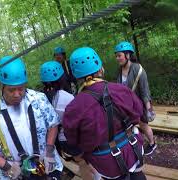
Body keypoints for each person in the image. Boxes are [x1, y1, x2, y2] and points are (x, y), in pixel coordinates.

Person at [0, 56, 63, 180]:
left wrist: (50, 150)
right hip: (14, 171)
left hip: (46, 163)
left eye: (21, 88)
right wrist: (5, 166)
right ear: (0, 85)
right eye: (11, 90)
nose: (17, 94)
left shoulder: (38, 99)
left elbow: (53, 124)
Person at [63, 47, 147, 180]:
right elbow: (138, 113)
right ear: (100, 68)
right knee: (137, 175)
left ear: (75, 75)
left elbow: (73, 139)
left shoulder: (73, 108)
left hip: (105, 162)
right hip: (133, 149)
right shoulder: (120, 89)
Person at [40, 61, 101, 180]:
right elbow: (79, 118)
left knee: (82, 161)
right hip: (72, 137)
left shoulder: (40, 98)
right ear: (61, 78)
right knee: (84, 162)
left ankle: (97, 176)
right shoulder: (66, 97)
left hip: (59, 141)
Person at [114, 41, 157, 155]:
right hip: (126, 106)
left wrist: (149, 109)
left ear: (127, 55)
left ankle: (152, 143)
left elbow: (145, 90)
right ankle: (134, 144)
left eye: (119, 55)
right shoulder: (119, 71)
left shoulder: (138, 69)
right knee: (129, 126)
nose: (117, 58)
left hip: (138, 104)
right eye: (116, 56)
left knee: (143, 125)